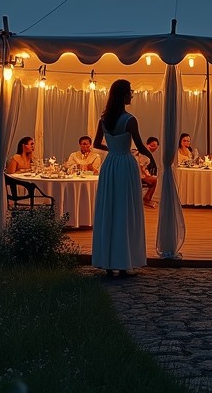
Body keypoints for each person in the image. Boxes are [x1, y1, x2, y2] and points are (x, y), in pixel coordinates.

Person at [92, 79, 154, 277]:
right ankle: (125, 260)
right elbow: (140, 145)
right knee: (125, 210)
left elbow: (96, 143)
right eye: (130, 91)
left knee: (109, 209)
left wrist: (112, 147)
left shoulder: (104, 119)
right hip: (125, 164)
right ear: (123, 95)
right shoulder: (129, 119)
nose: (132, 95)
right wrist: (152, 159)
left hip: (110, 164)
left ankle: (108, 262)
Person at [136, 136, 159, 207]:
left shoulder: (146, 153)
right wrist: (147, 174)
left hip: (140, 174)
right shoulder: (143, 153)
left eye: (155, 146)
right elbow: (142, 166)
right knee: (154, 180)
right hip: (138, 175)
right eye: (151, 145)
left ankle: (147, 198)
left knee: (154, 179)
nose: (153, 148)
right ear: (147, 144)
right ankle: (147, 199)